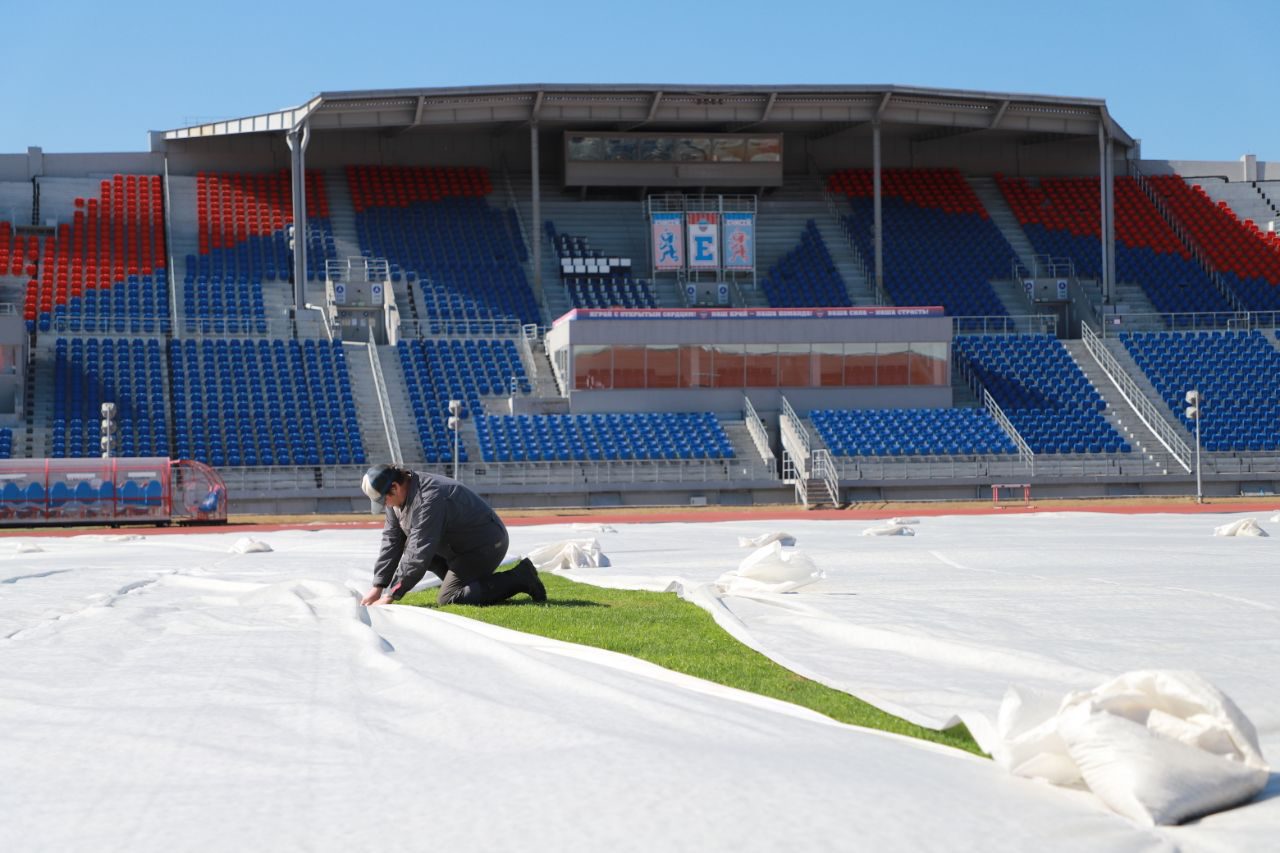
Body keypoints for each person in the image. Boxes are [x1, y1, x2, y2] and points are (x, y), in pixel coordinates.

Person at [359, 464, 546, 607]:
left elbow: (419, 550)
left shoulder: (428, 499)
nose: (385, 505)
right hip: (459, 546)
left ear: (394, 487)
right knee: (413, 548)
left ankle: (522, 577)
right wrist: (378, 586)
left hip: (484, 544)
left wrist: (391, 594)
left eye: (384, 500)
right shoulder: (397, 500)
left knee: (448, 598)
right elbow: (392, 541)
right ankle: (474, 584)